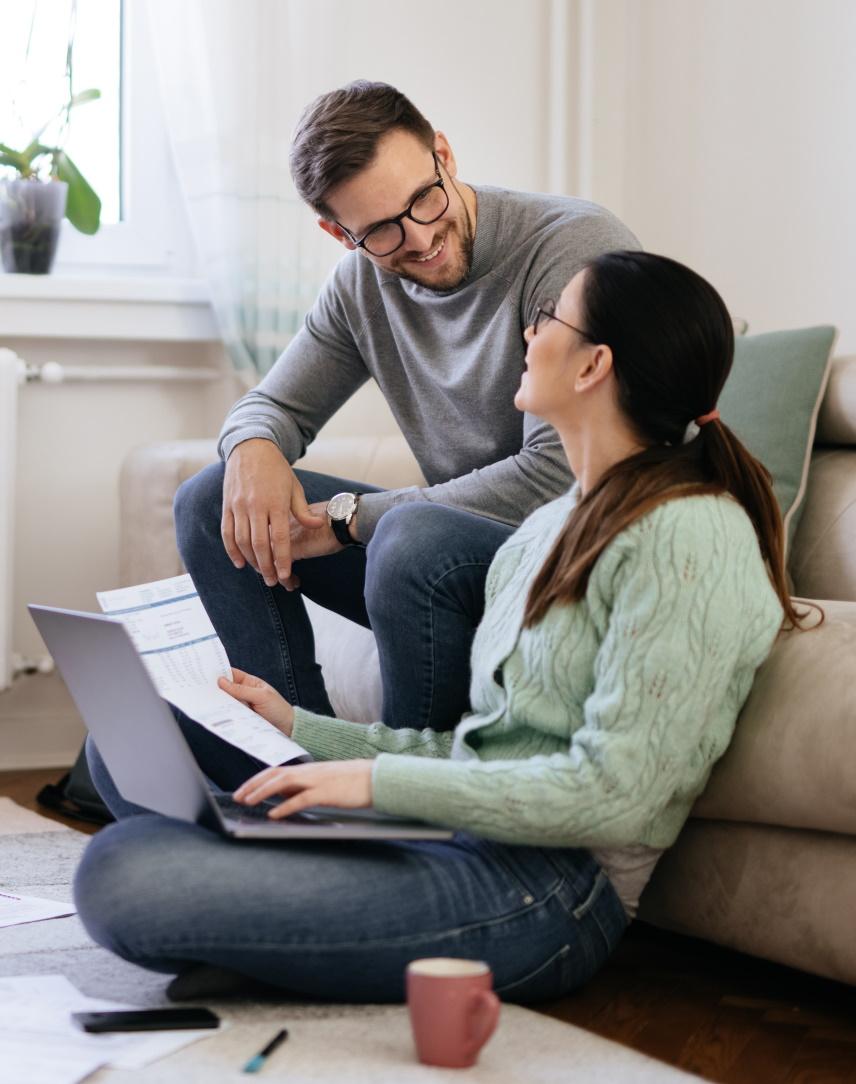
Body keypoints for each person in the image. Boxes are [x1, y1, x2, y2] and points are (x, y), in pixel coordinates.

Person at [75, 250, 809, 1005]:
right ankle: (285, 924)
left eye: (549, 318)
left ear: (594, 365)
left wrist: (372, 782)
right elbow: (469, 749)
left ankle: (271, 922)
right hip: (448, 831)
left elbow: (615, 793)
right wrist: (300, 726)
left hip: (547, 894)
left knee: (123, 874)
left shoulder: (690, 536)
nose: (529, 333)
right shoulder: (547, 527)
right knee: (130, 744)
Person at [173, 79, 639, 734]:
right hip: (452, 561)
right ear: (339, 234)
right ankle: (292, 765)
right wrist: (252, 447)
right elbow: (272, 404)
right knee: (208, 499)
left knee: (410, 536)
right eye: (381, 231)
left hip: (573, 558)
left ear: (443, 154)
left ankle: (396, 802)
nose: (418, 238)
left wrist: (351, 520)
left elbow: (561, 477)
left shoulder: (570, 249)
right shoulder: (362, 284)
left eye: (424, 199)